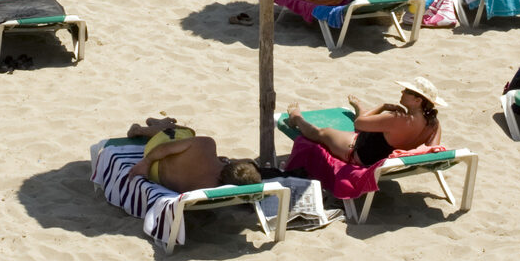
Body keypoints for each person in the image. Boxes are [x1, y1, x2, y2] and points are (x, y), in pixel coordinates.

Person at [283, 79, 444, 166]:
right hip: (387, 160)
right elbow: (433, 151)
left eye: (407, 91)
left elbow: (359, 123)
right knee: (373, 128)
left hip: (360, 155)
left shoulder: (395, 118)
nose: (402, 91)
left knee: (322, 133)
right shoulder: (433, 124)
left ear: (417, 100)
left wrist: (383, 106)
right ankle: (360, 107)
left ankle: (296, 118)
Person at [122, 118, 262, 192]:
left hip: (153, 156)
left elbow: (164, 148)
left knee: (187, 132)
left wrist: (146, 162)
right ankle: (159, 124)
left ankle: (140, 130)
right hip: (156, 176)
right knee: (182, 138)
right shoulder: (208, 188)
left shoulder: (206, 145)